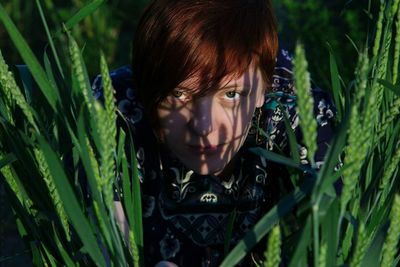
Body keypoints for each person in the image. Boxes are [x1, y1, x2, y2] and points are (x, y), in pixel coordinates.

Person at [91, 0, 336, 266]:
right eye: (178, 94)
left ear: (264, 87)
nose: (204, 126)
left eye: (231, 94)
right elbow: (107, 239)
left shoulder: (295, 106)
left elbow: (339, 226)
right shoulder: (116, 107)